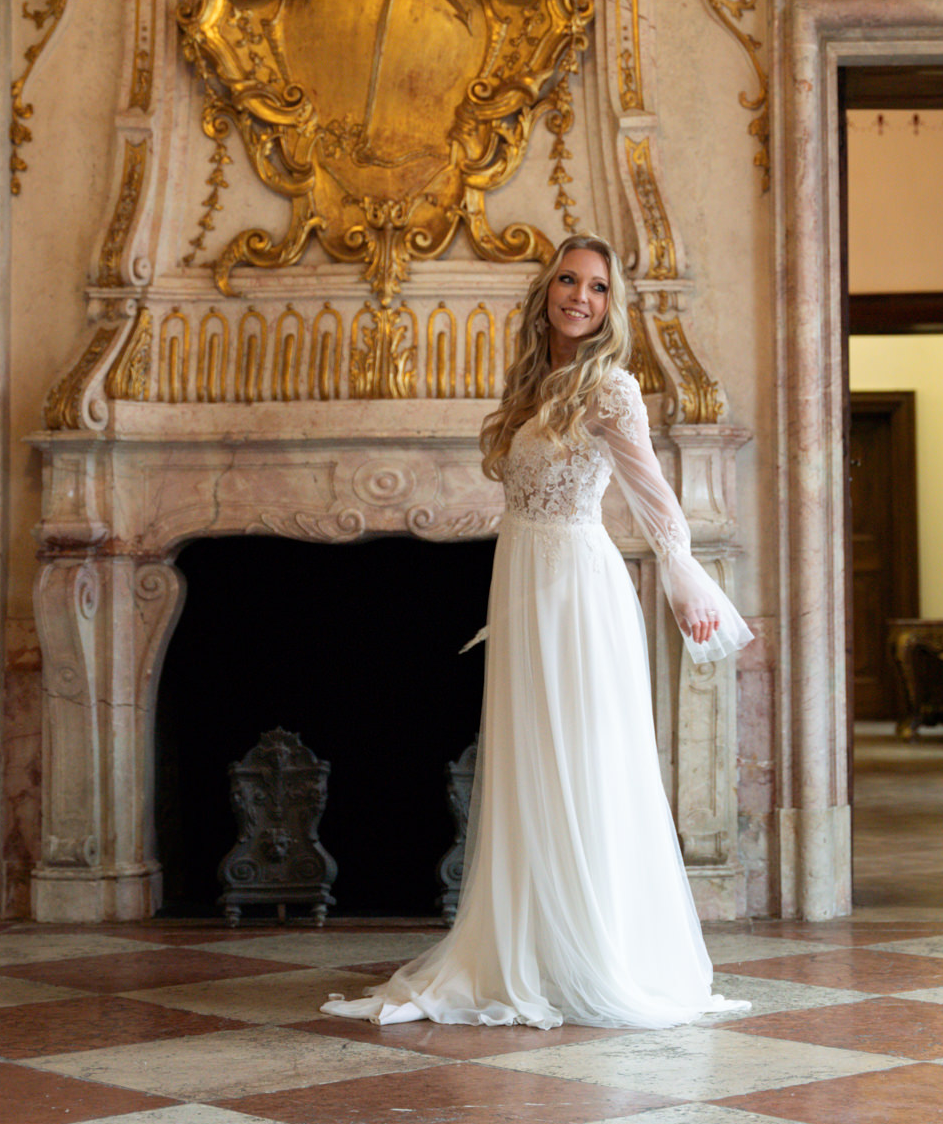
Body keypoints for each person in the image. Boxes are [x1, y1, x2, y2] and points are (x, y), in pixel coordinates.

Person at [323, 233, 754, 1030]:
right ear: (546, 290)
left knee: (580, 760)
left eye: (597, 287)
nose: (579, 297)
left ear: (610, 306)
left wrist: (681, 571)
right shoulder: (536, 386)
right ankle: (531, 947)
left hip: (574, 590)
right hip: (523, 581)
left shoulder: (610, 388)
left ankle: (594, 954)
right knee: (530, 763)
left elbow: (653, 494)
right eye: (568, 280)